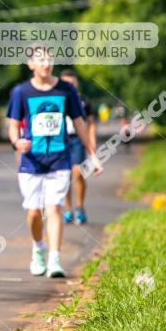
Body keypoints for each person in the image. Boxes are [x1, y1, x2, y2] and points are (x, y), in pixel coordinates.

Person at [7, 47, 101, 278]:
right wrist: (17, 142)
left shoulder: (66, 90)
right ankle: (38, 248)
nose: (46, 63)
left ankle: (55, 259)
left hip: (60, 157)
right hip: (31, 161)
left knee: (55, 207)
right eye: (40, 59)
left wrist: (92, 154)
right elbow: (13, 126)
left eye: (49, 59)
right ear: (30, 64)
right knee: (33, 212)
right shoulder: (21, 92)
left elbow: (80, 123)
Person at [59, 69, 96, 225]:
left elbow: (90, 123)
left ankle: (79, 206)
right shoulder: (57, 99)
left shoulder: (83, 100)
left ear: (76, 83)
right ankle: (68, 209)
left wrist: (91, 143)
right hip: (61, 139)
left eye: (72, 83)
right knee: (64, 176)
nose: (70, 85)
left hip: (78, 139)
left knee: (78, 173)